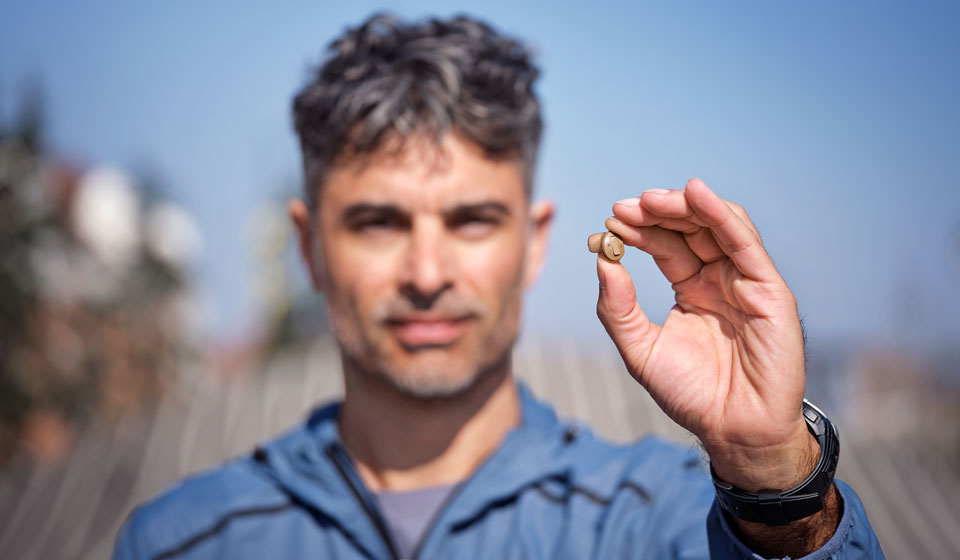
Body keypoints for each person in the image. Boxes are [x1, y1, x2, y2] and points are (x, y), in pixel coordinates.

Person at [113, 13, 883, 559]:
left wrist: (773, 477)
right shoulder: (184, 540)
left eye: (472, 219)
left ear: (533, 241)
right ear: (310, 247)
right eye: (379, 222)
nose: (426, 273)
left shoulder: (681, 525)